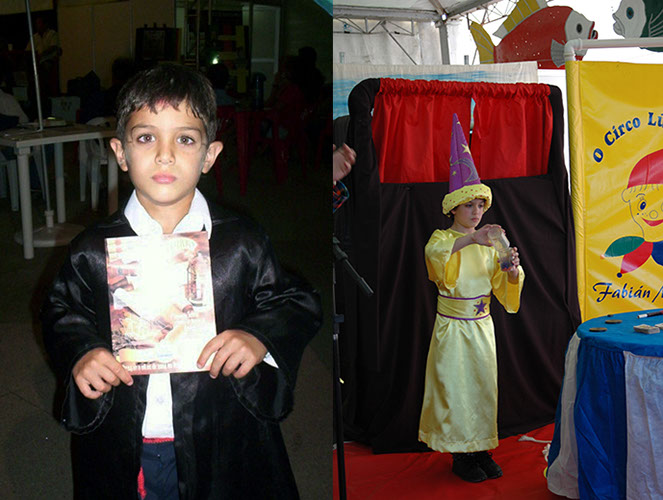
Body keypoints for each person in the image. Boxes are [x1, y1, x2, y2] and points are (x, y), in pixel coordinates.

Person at [41, 63, 322, 499]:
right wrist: (82, 351)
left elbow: (296, 300)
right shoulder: (92, 249)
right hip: (127, 431)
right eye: (146, 137)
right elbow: (61, 310)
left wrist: (258, 336)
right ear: (120, 152)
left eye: (185, 139)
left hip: (219, 432)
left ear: (210, 155)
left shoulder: (241, 243)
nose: (165, 154)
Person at [418, 114, 524, 483]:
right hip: (453, 329)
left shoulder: (491, 240)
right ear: (453, 209)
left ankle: (481, 449)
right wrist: (471, 240)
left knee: (481, 387)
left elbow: (502, 282)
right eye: (469, 207)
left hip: (481, 328)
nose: (476, 213)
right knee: (456, 389)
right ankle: (461, 457)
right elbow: (436, 260)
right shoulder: (443, 239)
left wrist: (512, 270)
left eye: (480, 206)